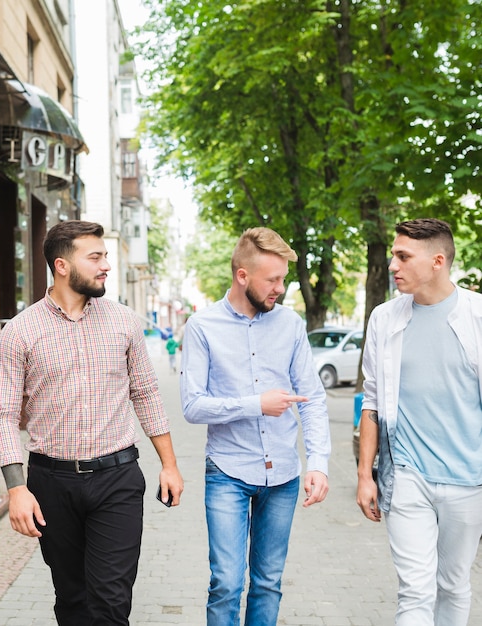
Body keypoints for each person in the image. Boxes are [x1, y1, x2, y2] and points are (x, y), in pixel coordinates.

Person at [0, 220, 184, 625]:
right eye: (94, 257)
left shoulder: (124, 322)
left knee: (111, 601)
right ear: (62, 265)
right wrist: (16, 488)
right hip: (51, 483)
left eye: (105, 256)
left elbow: (146, 393)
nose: (105, 266)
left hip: (117, 479)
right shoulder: (20, 332)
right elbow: (4, 413)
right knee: (73, 599)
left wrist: (169, 464)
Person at [180, 226, 330, 625]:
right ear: (242, 276)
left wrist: (318, 463)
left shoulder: (291, 325)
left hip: (283, 474)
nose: (280, 288)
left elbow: (313, 397)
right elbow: (192, 406)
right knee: (227, 583)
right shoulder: (202, 327)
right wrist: (255, 405)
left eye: (283, 279)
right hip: (228, 472)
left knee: (268, 582)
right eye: (273, 280)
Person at [357, 218, 482, 626]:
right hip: (407, 476)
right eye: (394, 254)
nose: (393, 265)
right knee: (415, 590)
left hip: (469, 479)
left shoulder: (477, 316)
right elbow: (372, 400)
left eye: (403, 256)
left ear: (438, 262)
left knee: (454, 584)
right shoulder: (384, 318)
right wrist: (364, 475)